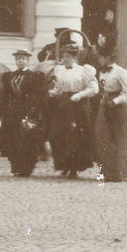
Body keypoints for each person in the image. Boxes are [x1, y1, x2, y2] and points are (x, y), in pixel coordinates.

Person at [47, 43, 99, 178]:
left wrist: (80, 95)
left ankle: (74, 167)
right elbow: (58, 87)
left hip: (79, 105)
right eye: (64, 56)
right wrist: (53, 92)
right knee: (57, 134)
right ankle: (63, 164)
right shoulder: (60, 70)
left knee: (75, 136)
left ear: (75, 57)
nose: (65, 58)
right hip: (64, 103)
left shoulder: (84, 70)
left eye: (68, 56)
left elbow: (94, 88)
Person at [0, 49, 46, 177]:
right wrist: (4, 110)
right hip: (12, 113)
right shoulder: (9, 76)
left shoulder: (34, 77)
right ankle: (15, 167)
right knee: (13, 140)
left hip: (28, 111)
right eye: (18, 59)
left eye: (23, 59)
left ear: (28, 60)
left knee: (26, 141)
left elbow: (39, 95)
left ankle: (27, 168)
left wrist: (34, 110)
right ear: (15, 61)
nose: (21, 61)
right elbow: (5, 95)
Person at [92, 53, 127, 182]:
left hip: (118, 107)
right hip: (105, 105)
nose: (99, 59)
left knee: (119, 139)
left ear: (108, 57)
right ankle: (107, 171)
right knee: (102, 137)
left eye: (101, 56)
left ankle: (120, 173)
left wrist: (115, 102)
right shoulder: (102, 72)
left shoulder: (121, 73)